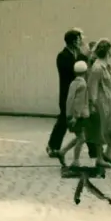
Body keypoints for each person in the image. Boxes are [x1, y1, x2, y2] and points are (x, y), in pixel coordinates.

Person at [46, 28, 87, 158]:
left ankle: (93, 150)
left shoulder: (78, 54)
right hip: (67, 93)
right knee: (63, 120)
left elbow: (85, 64)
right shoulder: (62, 56)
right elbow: (74, 69)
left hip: (77, 91)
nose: (80, 42)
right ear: (73, 41)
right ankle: (53, 146)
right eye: (78, 39)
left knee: (82, 121)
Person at [86, 39, 111, 168]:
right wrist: (93, 103)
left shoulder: (106, 66)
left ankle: (108, 153)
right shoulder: (97, 67)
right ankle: (100, 158)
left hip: (110, 101)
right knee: (101, 130)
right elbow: (92, 87)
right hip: (101, 103)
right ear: (107, 51)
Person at [56, 60, 89, 167]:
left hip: (70, 114)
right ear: (85, 71)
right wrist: (76, 116)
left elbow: (70, 99)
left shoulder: (73, 83)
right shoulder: (83, 84)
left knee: (80, 137)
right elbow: (78, 102)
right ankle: (75, 160)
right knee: (82, 138)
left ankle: (63, 151)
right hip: (78, 116)